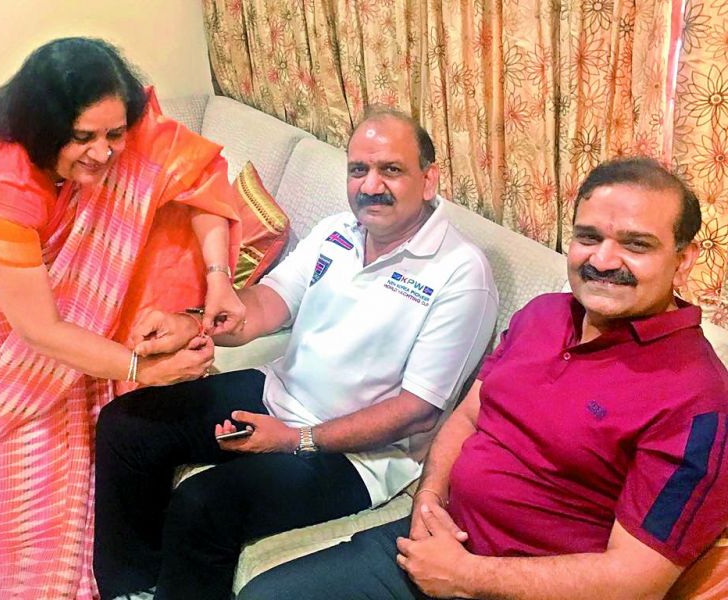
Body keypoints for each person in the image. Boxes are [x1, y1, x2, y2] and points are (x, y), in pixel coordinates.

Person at [238, 157, 728, 600]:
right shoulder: (543, 315)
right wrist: (429, 501)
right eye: (588, 237)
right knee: (267, 594)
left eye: (635, 245)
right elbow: (470, 414)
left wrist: (466, 576)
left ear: (683, 260)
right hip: (433, 543)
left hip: (524, 588)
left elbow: (635, 580)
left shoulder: (697, 398)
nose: (602, 261)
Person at [92, 107, 499, 600]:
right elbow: (265, 304)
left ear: (429, 179)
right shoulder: (336, 231)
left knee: (204, 502)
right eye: (358, 170)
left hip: (356, 456)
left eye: (390, 170)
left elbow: (416, 413)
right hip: (276, 391)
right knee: (126, 424)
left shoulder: (461, 273)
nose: (370, 185)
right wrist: (193, 322)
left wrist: (294, 439)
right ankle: (134, 589)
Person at [0, 37, 246, 599]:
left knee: (73, 431)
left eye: (114, 135)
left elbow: (200, 180)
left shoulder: (122, 123)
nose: (104, 153)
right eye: (82, 138)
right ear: (43, 128)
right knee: (6, 460)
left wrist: (219, 276)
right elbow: (41, 330)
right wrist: (137, 369)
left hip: (40, 293)